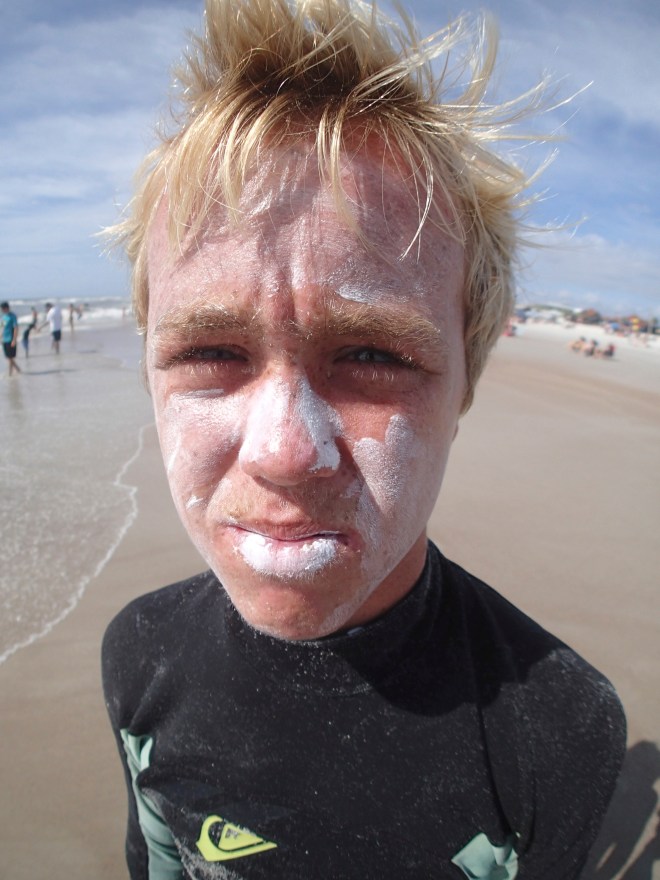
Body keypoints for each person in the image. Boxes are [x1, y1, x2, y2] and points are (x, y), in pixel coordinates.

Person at [102, 1, 626, 877]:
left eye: (374, 355)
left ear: (465, 383)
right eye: (211, 352)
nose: (283, 452)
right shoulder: (138, 652)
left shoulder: (559, 727)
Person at [1, 301, 22, 375]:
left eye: (3, 309)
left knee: (10, 357)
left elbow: (16, 328)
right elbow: (2, 328)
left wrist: (14, 339)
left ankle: (10, 373)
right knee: (8, 357)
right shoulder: (3, 317)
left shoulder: (13, 316)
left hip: (10, 339)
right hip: (4, 339)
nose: (2, 310)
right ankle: (17, 369)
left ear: (7, 308)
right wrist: (0, 336)